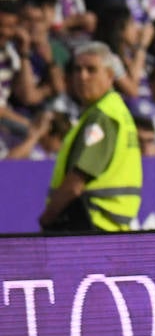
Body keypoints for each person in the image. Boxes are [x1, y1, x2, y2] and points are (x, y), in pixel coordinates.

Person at [38, 42, 143, 232]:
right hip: (106, 226)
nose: (82, 77)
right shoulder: (113, 110)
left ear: (110, 76)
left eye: (91, 70)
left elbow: (76, 183)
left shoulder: (102, 116)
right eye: (77, 70)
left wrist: (47, 217)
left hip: (90, 223)